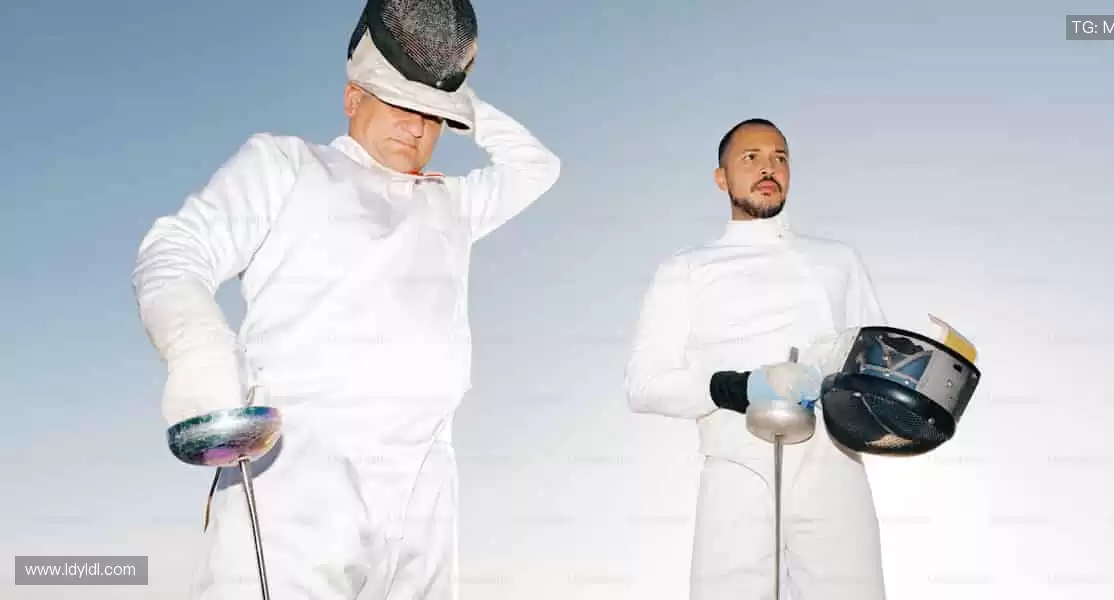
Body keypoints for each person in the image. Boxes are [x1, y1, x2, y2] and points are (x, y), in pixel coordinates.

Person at [131, 1, 560, 598]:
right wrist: (196, 347)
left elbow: (536, 167)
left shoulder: (451, 204)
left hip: (426, 483)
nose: (417, 127)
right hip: (299, 469)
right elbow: (175, 249)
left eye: (432, 116)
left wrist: (447, 83)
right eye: (399, 102)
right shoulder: (288, 165)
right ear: (352, 97)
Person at [624, 118, 887, 600]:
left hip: (833, 466)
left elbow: (874, 365)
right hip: (737, 464)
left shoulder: (838, 260)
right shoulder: (686, 268)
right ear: (721, 177)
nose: (769, 168)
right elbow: (643, 385)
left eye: (779, 158)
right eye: (751, 158)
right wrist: (741, 387)